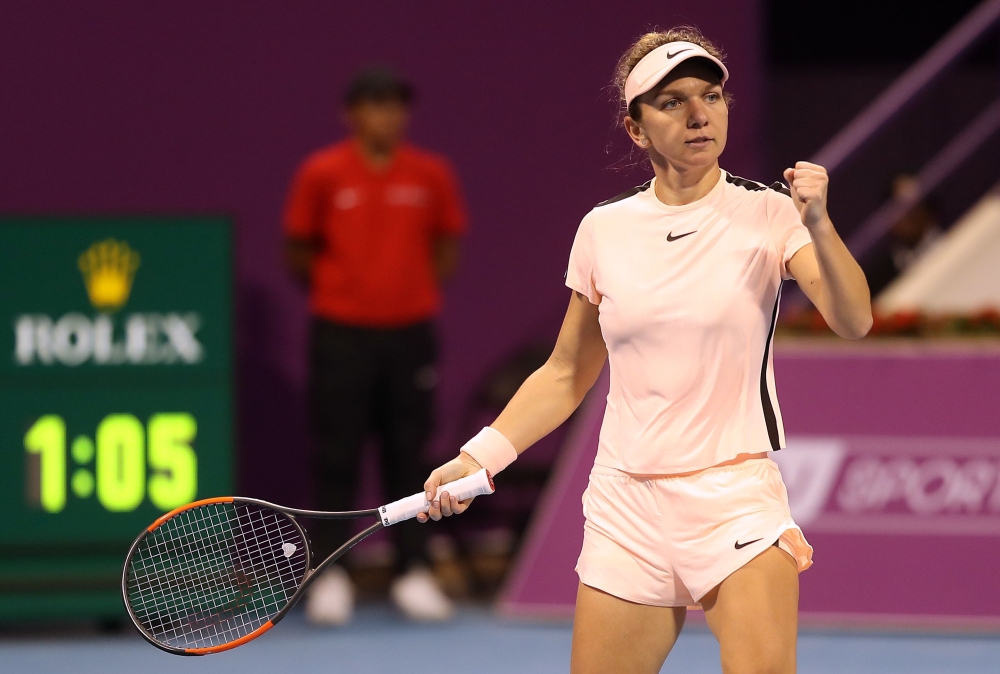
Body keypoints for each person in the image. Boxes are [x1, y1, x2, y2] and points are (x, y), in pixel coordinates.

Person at [420, 27, 872, 673]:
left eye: (711, 95)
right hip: (627, 504)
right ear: (635, 128)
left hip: (734, 493)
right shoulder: (604, 230)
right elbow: (568, 372)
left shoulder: (770, 214)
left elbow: (853, 319)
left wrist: (821, 224)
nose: (698, 114)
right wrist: (479, 457)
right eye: (671, 101)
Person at [283, 66, 467, 624]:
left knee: (409, 456)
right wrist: (346, 295)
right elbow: (298, 249)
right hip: (341, 335)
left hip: (409, 336)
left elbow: (446, 244)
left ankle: (412, 571)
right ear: (353, 114)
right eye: (376, 105)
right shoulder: (323, 173)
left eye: (396, 106)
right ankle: (330, 574)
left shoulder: (430, 174)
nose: (388, 116)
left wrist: (407, 294)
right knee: (336, 456)